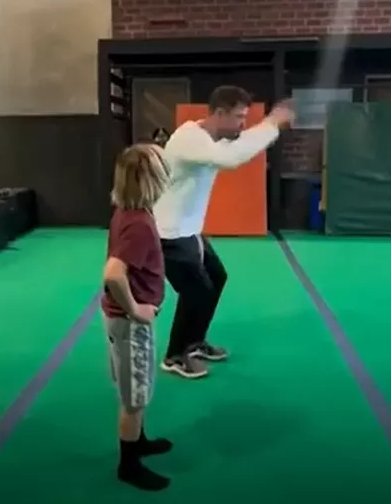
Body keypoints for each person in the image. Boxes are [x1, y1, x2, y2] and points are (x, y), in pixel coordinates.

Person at [153, 86, 295, 379]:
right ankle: (174, 356)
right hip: (168, 233)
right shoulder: (189, 138)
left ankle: (194, 342)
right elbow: (230, 159)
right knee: (196, 290)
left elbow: (237, 146)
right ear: (219, 113)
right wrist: (271, 124)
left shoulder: (212, 139)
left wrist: (268, 125)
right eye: (239, 117)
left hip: (188, 231)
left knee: (216, 278)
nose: (243, 124)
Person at [101, 143, 174, 491]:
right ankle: (128, 465)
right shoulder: (139, 224)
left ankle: (139, 441)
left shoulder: (127, 211)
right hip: (130, 323)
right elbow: (113, 273)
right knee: (134, 398)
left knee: (137, 386)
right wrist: (135, 309)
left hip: (122, 321)